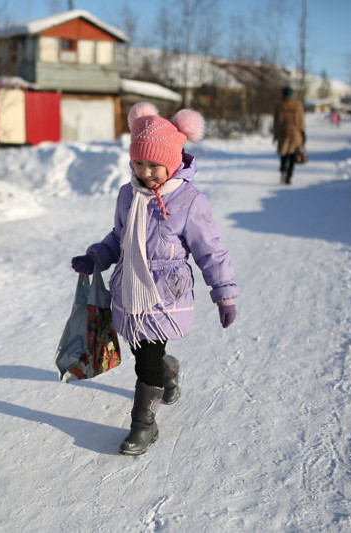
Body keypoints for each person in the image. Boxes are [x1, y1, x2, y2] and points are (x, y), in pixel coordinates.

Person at [71, 102, 238, 456]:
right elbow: (118, 238)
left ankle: (143, 424)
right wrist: (95, 257)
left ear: (174, 161)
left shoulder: (190, 201)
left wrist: (224, 294)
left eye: (154, 165)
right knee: (140, 349)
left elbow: (212, 251)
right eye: (138, 163)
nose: (146, 172)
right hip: (129, 290)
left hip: (165, 295)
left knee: (145, 360)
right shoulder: (127, 195)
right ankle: (168, 368)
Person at [272, 86, 306, 185]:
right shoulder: (298, 105)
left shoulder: (279, 106)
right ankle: (289, 176)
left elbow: (277, 122)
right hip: (296, 134)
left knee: (284, 153)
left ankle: (283, 170)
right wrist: (303, 132)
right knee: (293, 155)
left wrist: (275, 133)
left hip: (283, 133)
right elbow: (301, 120)